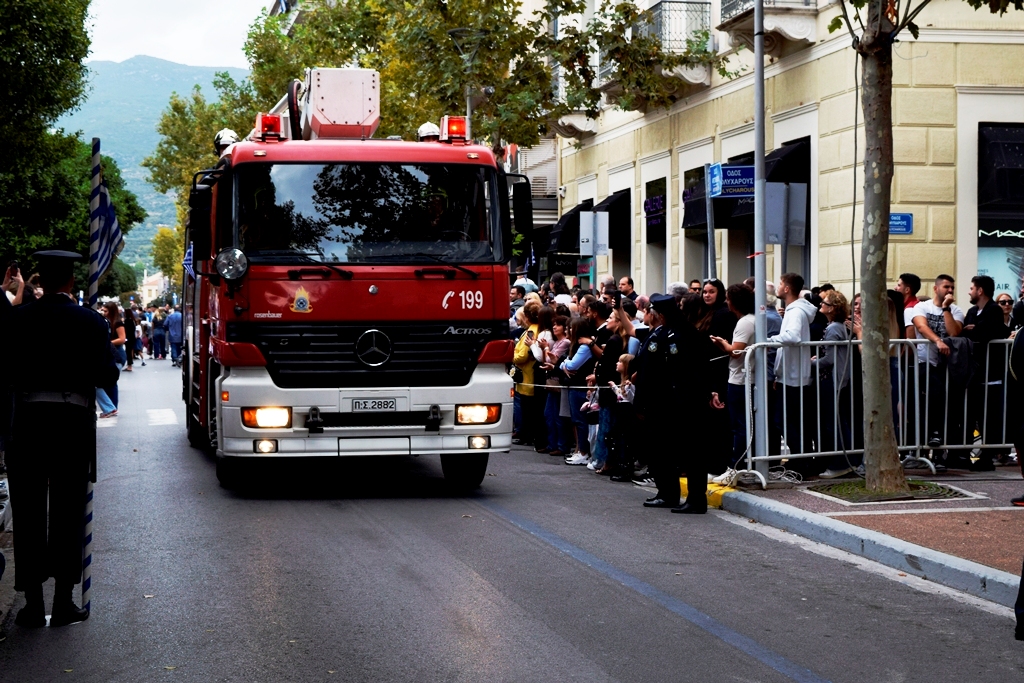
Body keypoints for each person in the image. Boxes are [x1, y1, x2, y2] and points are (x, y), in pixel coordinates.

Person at [3, 250, 119, 627]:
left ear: (41, 279)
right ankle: (65, 601)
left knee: (28, 511)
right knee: (68, 511)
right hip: (72, 423)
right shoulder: (90, 322)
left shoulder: (16, 318)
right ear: (70, 282)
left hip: (28, 421)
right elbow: (107, 377)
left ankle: (34, 605)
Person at [768, 273, 819, 467]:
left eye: (781, 283)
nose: (779, 287)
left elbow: (793, 336)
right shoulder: (794, 310)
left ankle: (801, 460)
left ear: (787, 288)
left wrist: (769, 340)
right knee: (793, 421)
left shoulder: (795, 312)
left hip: (793, 376)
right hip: (790, 374)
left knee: (786, 421)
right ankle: (803, 459)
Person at [961, 275, 1010, 470]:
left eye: (972, 288)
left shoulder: (994, 310)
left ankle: (987, 456)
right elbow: (965, 331)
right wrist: (971, 330)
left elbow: (986, 333)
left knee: (988, 418)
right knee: (970, 416)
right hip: (974, 373)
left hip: (991, 375)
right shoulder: (973, 311)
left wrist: (973, 330)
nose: (969, 291)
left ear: (980, 291)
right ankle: (966, 454)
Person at [911, 274, 965, 450]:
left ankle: (940, 440)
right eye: (946, 287)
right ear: (936, 288)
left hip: (947, 364)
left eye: (952, 288)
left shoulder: (955, 310)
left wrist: (946, 309)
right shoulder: (922, 307)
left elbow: (954, 332)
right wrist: (937, 341)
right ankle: (932, 434)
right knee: (932, 395)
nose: (950, 290)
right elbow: (921, 326)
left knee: (945, 399)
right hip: (925, 360)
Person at [710, 284, 755, 470]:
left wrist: (722, 343)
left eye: (728, 298)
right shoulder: (751, 320)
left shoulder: (745, 322)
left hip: (740, 378)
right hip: (742, 376)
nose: (726, 302)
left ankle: (737, 465)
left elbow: (736, 351)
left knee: (739, 425)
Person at [815, 291, 856, 477]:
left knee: (835, 422)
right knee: (839, 421)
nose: (820, 305)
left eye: (824, 302)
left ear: (832, 308)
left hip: (832, 379)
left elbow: (829, 359)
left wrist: (813, 362)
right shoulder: (838, 327)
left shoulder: (833, 328)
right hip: (838, 378)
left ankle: (840, 464)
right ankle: (845, 461)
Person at [561, 317, 597, 465]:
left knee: (580, 421)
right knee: (576, 420)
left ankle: (583, 452)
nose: (568, 331)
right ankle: (579, 450)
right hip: (574, 387)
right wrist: (564, 365)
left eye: (571, 328)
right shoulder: (575, 347)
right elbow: (565, 364)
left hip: (580, 387)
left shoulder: (584, 347)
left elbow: (573, 365)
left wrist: (565, 365)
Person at [512, 301, 546, 451]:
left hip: (528, 376)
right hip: (530, 375)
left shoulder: (532, 331)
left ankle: (527, 435)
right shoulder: (538, 329)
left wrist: (512, 356)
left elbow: (523, 356)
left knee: (527, 409)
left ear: (526, 316)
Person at [96, 302, 127, 418]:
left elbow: (122, 339)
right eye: (103, 310)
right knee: (107, 382)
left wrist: (107, 343)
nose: (104, 313)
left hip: (117, 354)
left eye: (106, 311)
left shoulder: (117, 323)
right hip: (109, 355)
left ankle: (112, 407)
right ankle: (111, 407)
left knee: (110, 382)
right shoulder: (105, 322)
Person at [895, 273, 922, 338]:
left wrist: (904, 348)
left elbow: (910, 339)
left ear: (907, 290)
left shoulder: (910, 308)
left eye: (899, 285)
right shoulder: (915, 304)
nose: (895, 288)